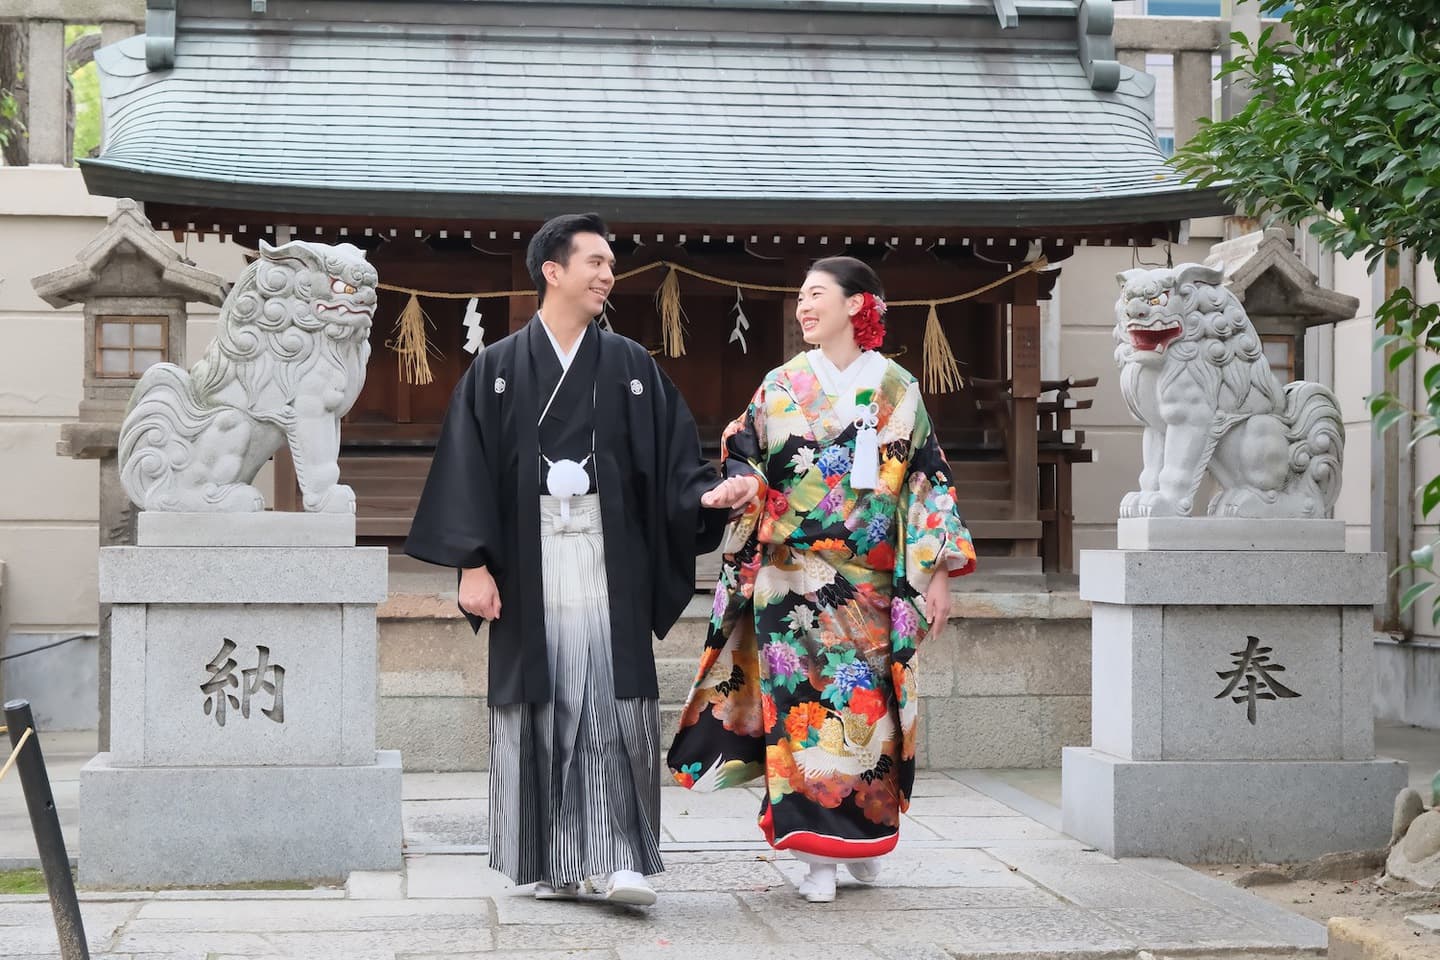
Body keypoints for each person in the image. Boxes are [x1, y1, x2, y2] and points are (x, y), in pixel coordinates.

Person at [405, 213, 727, 906]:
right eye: (596, 262)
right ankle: (555, 855)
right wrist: (472, 564)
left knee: (611, 701)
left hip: (608, 562)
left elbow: (675, 465)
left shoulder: (633, 367)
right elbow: (466, 471)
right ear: (553, 271)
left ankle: (619, 858)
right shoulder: (495, 369)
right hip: (530, 563)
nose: (608, 274)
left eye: (611, 264)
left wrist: (708, 494)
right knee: (545, 704)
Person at [669, 256, 976, 903]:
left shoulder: (896, 389)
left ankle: (864, 836)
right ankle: (817, 858)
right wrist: (742, 484)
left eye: (817, 295)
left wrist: (941, 571)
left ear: (858, 305)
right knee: (802, 723)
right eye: (802, 296)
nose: (805, 306)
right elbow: (746, 450)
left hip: (872, 585)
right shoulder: (782, 384)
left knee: (874, 719)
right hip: (792, 582)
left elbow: (926, 478)